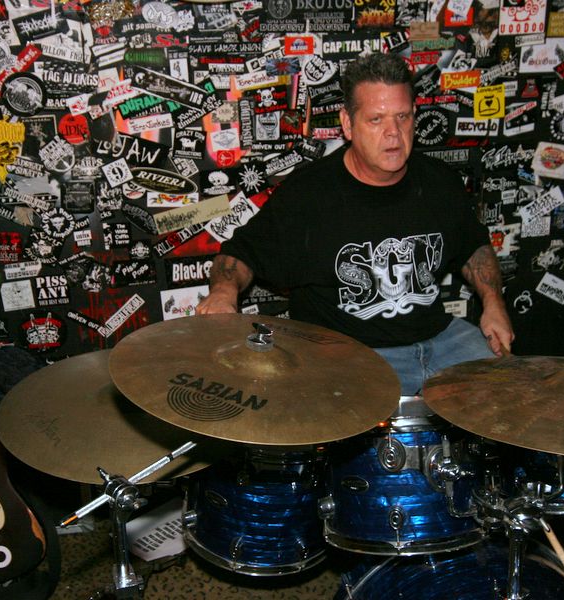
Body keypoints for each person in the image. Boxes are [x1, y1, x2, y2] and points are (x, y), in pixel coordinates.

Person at [196, 52, 514, 395]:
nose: (393, 134)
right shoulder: (307, 195)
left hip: (443, 339)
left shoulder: (440, 182)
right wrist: (224, 291)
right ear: (347, 124)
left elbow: (474, 248)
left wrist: (493, 303)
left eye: (402, 117)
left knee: (508, 394)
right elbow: (239, 255)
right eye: (376, 120)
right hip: (353, 354)